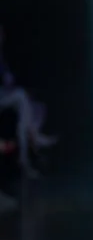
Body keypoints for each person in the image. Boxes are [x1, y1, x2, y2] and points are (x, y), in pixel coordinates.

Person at [0, 25, 58, 178]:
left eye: (2, 33)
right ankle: (34, 137)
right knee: (21, 97)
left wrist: (9, 81)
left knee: (32, 106)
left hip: (5, 95)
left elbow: (8, 81)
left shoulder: (3, 58)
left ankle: (25, 157)